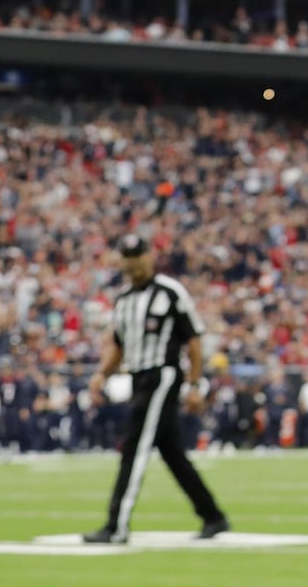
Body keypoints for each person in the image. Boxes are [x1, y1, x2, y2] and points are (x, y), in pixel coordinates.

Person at [83, 233, 230, 543]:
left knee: (134, 447)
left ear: (149, 257)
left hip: (162, 375)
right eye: (127, 256)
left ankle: (116, 524)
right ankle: (213, 516)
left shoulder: (170, 292)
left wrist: (194, 384)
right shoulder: (123, 300)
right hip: (137, 377)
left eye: (137, 256)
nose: (133, 263)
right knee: (172, 452)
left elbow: (192, 339)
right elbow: (120, 346)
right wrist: (102, 374)